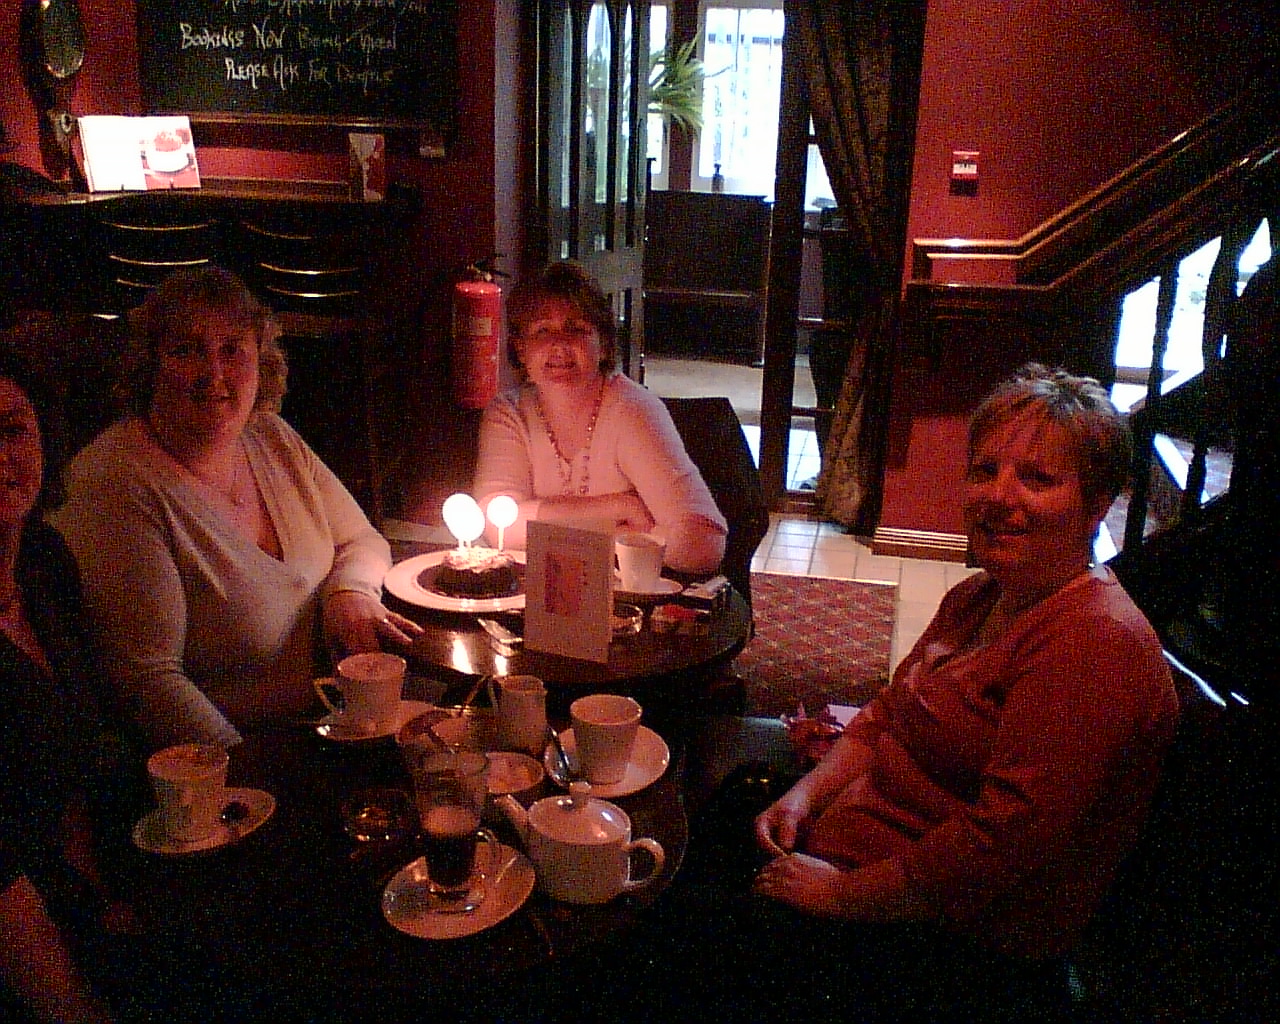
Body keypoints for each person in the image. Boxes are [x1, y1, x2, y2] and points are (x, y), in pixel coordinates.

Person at [600, 364, 1182, 1022]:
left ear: (1097, 503)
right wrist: (805, 796)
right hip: (855, 855)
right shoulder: (981, 595)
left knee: (662, 942)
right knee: (665, 858)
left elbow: (995, 850)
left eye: (1038, 479)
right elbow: (886, 719)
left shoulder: (1093, 643)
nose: (999, 496)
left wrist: (842, 896)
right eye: (985, 470)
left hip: (949, 940)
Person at [53, 267, 421, 750]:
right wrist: (245, 769)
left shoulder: (269, 435)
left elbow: (362, 539)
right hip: (235, 756)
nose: (214, 375)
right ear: (148, 366)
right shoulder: (117, 482)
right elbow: (149, 683)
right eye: (186, 351)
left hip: (341, 720)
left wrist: (348, 593)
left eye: (232, 350)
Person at [0, 347, 141, 1023]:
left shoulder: (45, 562)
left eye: (12, 429)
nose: (0, 456)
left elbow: (95, 742)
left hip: (107, 889)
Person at [473, 260, 727, 576]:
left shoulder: (632, 410)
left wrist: (551, 526)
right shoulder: (508, 413)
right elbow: (496, 524)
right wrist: (620, 509)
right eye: (542, 331)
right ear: (521, 350)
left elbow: (703, 545)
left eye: (576, 329)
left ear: (604, 345)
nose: (558, 345)